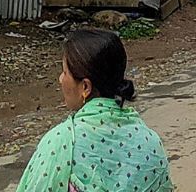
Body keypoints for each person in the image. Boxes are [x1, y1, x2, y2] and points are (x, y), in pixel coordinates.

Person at [15, 30, 172, 192]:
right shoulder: (150, 142)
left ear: (85, 87)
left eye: (64, 72)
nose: (60, 79)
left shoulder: (61, 142)